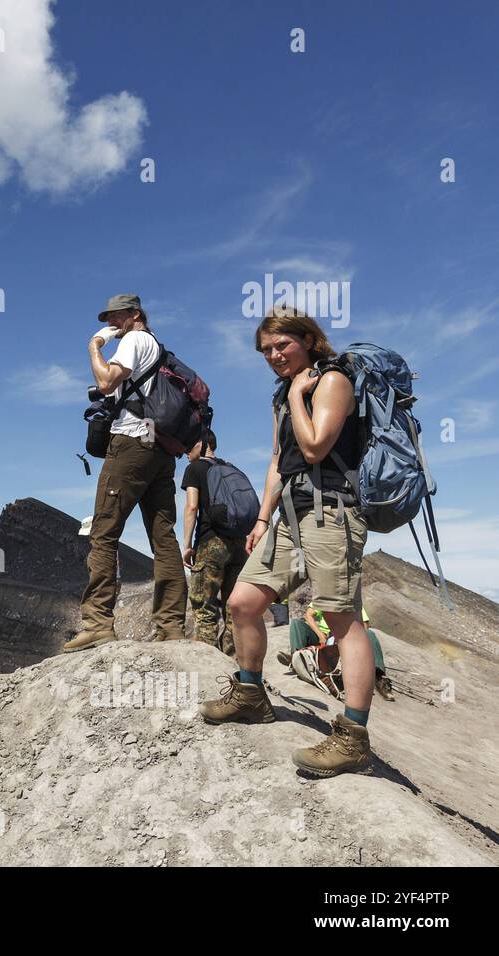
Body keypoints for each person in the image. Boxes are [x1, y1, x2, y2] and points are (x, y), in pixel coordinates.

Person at [198, 306, 378, 777]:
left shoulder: (333, 381)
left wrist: (299, 396)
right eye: (266, 350)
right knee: (241, 603)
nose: (274, 355)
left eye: (282, 345)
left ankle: (353, 738)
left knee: (341, 618)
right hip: (290, 516)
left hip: (331, 513)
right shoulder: (285, 393)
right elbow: (280, 459)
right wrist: (262, 516)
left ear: (307, 339)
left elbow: (317, 445)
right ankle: (251, 695)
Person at [65, 293, 188, 652]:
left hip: (132, 442)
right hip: (161, 451)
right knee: (163, 537)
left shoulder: (135, 340)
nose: (112, 324)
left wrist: (94, 347)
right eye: (109, 319)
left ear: (135, 314)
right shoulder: (159, 351)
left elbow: (106, 382)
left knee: (104, 531)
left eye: (117, 317)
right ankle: (170, 626)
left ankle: (98, 622)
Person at [181, 430, 248, 656]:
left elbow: (191, 507)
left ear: (201, 444)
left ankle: (207, 661)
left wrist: (187, 544)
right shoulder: (233, 469)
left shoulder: (195, 468)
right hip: (239, 544)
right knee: (234, 610)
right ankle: (231, 659)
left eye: (188, 446)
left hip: (211, 543)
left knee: (204, 606)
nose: (185, 452)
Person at [285, 603, 394, 700]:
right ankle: (296, 658)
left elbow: (365, 625)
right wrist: (320, 634)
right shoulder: (324, 597)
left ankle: (379, 676)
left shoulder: (353, 601)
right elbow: (308, 615)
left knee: (369, 634)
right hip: (324, 636)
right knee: (296, 624)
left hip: (345, 637)